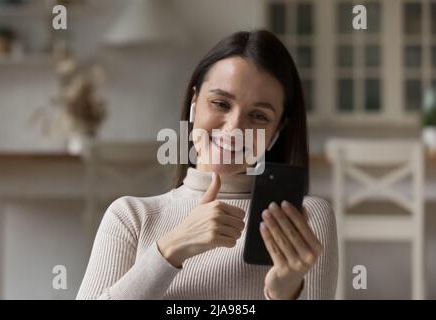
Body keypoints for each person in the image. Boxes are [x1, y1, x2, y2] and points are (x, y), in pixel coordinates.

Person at [76, 30, 338, 300]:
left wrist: (284, 292)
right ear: (194, 103)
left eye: (258, 115)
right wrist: (172, 248)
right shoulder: (131, 216)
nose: (234, 127)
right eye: (220, 103)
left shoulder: (304, 219)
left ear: (277, 132)